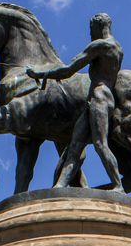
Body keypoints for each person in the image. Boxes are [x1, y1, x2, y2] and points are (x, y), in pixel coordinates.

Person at [26, 12, 124, 192]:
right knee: (75, 146)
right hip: (96, 98)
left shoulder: (101, 45)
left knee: (100, 145)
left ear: (97, 26)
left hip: (99, 97)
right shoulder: (118, 46)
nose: (90, 33)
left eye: (91, 29)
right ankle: (60, 186)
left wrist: (40, 74)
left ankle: (118, 186)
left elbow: (69, 69)